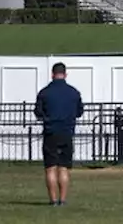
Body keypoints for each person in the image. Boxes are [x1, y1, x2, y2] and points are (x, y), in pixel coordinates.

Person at [35, 62, 84, 207]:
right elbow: (79, 112)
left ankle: (53, 200)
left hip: (50, 133)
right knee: (63, 167)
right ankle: (63, 200)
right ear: (65, 74)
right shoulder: (74, 93)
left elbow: (38, 112)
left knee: (50, 168)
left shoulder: (44, 93)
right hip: (67, 133)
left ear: (52, 74)